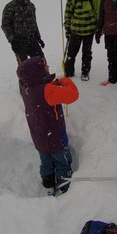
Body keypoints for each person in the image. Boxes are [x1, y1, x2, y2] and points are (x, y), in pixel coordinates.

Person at [16, 56, 79, 193]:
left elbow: (40, 95)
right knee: (62, 161)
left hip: (39, 137)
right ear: (37, 73)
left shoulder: (26, 89)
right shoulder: (47, 90)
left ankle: (48, 179)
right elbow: (73, 95)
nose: (48, 67)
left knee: (45, 161)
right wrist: (65, 80)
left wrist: (49, 84)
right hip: (55, 137)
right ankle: (64, 184)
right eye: (45, 67)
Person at [64, 0, 100, 81]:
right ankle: (69, 73)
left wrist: (98, 28)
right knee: (71, 53)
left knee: (87, 53)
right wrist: (67, 27)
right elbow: (68, 13)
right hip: (75, 30)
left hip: (89, 31)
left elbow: (98, 12)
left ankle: (85, 72)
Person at [1, 0, 45, 65]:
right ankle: (25, 78)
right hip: (19, 41)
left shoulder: (31, 7)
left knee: (41, 61)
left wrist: (38, 38)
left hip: (31, 39)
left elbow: (34, 23)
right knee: (24, 67)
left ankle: (45, 77)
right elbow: (5, 25)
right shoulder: (10, 7)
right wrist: (13, 40)